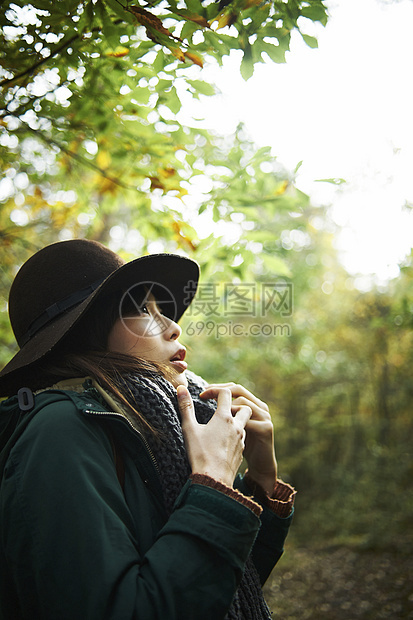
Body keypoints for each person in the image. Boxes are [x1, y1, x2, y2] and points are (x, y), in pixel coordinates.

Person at [0, 239, 296, 620]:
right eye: (142, 309)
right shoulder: (60, 432)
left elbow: (223, 583)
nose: (174, 328)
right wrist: (215, 484)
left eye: (164, 311)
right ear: (86, 331)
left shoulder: (156, 428)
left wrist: (262, 481)